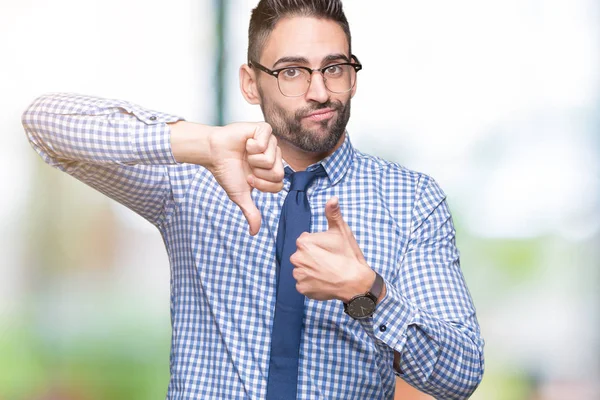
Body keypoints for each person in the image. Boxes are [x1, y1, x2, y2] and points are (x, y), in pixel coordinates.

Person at [21, 0, 484, 399]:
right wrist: (200, 145)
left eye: (334, 68)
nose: (319, 91)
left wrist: (366, 292)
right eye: (292, 72)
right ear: (249, 83)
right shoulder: (192, 181)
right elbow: (45, 124)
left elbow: (461, 375)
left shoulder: (410, 200)